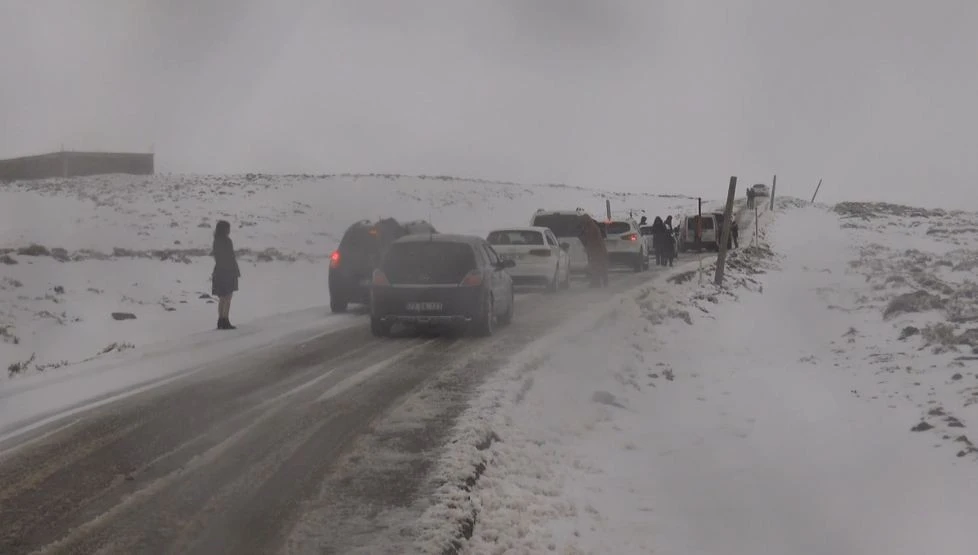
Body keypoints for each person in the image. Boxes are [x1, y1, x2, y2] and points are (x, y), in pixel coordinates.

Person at [211, 220, 241, 330]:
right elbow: (231, 257)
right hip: (228, 271)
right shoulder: (227, 241)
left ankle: (220, 320)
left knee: (222, 297)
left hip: (219, 270)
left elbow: (218, 257)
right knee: (228, 296)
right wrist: (235, 271)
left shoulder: (216, 241)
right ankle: (225, 320)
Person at [578, 215, 608, 287]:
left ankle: (597, 282)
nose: (582, 223)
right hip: (598, 250)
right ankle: (601, 282)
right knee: (599, 266)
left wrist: (588, 248)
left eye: (582, 221)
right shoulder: (591, 227)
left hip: (597, 251)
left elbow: (591, 240)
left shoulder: (591, 228)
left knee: (597, 266)